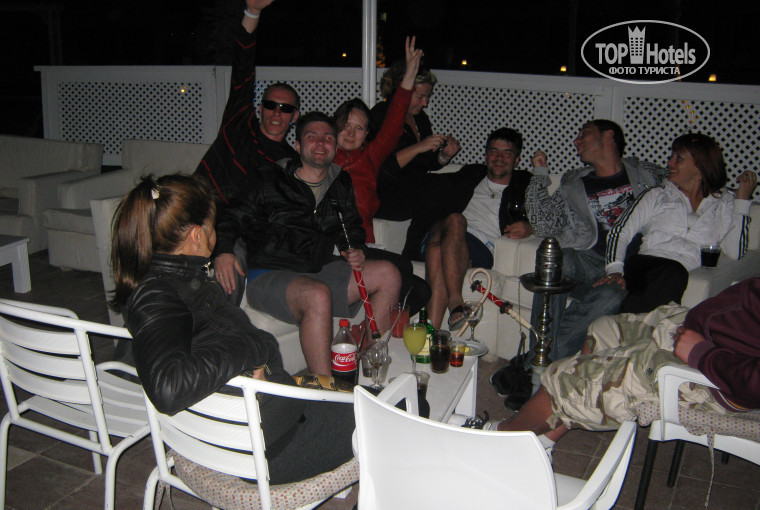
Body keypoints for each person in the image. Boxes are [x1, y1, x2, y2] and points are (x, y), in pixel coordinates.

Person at [109, 173, 355, 485]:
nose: (216, 236)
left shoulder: (181, 281)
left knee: (365, 398)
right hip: (266, 451)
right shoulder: (159, 294)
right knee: (396, 411)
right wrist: (250, 349)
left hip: (271, 423)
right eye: (213, 227)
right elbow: (167, 387)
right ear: (197, 236)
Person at [483, 277, 760, 459]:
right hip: (696, 330)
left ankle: (495, 439)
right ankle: (545, 444)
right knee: (602, 329)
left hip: (712, 378)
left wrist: (702, 354)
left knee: (560, 377)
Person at [215, 112, 401, 375]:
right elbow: (231, 215)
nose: (321, 142)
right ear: (298, 146)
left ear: (335, 146)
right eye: (312, 137)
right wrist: (223, 250)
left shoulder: (340, 181)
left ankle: (371, 372)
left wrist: (356, 248)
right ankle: (325, 387)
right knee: (317, 294)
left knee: (388, 274)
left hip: (317, 268)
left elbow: (350, 226)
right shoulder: (268, 177)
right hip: (269, 273)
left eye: (328, 137)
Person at [525, 119, 665, 361]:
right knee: (556, 258)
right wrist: (539, 173)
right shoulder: (574, 183)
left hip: (629, 267)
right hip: (588, 261)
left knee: (612, 296)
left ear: (609, 136)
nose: (576, 141)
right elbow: (543, 225)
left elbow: (692, 183)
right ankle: (537, 360)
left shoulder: (647, 175)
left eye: (584, 134)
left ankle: (537, 361)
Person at [194, 0, 299, 306]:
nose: (276, 113)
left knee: (233, 260)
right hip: (196, 208)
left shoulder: (288, 163)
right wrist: (252, 12)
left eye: (285, 108)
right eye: (271, 105)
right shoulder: (238, 125)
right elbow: (242, 69)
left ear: (294, 116)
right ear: (260, 108)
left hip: (235, 232)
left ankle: (219, 327)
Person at [332, 36, 431, 315]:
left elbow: (394, 121)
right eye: (346, 125)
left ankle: (372, 330)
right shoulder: (322, 159)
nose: (351, 133)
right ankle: (374, 331)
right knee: (403, 270)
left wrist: (409, 74)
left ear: (367, 134)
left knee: (420, 290)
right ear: (335, 127)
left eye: (359, 128)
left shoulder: (369, 158)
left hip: (362, 246)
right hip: (333, 248)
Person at [603, 133, 756, 313]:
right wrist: (614, 270)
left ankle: (632, 322)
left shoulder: (724, 204)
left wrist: (742, 201)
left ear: (700, 166)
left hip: (683, 273)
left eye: (678, 158)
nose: (669, 162)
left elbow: (735, 252)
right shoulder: (658, 194)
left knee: (671, 278)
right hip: (645, 266)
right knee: (673, 273)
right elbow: (620, 231)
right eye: (672, 156)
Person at [425, 128, 533, 330]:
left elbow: (550, 218)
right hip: (446, 229)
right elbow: (426, 179)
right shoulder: (471, 174)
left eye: (507, 153)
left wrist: (530, 227)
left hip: (480, 246)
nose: (499, 158)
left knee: (436, 251)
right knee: (455, 220)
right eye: (493, 151)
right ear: (486, 156)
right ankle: (455, 302)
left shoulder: (524, 184)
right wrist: (444, 156)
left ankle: (431, 334)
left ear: (517, 160)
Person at [369, 60, 462, 260]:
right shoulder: (381, 115)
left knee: (459, 181)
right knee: (439, 188)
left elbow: (426, 162)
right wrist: (419, 146)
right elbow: (382, 169)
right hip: (386, 193)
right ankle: (413, 250)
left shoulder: (419, 119)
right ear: (401, 91)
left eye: (427, 97)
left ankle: (432, 244)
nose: (425, 103)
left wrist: (444, 155)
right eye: (420, 97)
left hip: (413, 188)